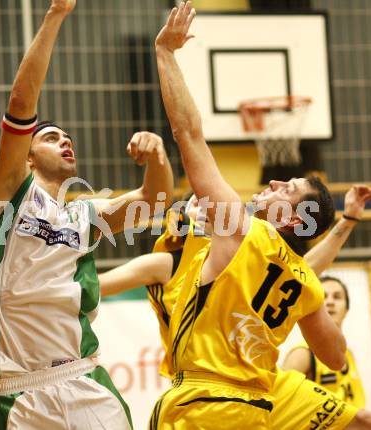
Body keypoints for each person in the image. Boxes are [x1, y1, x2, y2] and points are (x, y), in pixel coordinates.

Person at [0, 1, 173, 429]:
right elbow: (20, 102)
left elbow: (155, 202)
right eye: (52, 138)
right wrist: (55, 15)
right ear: (28, 157)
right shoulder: (10, 195)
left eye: (68, 138)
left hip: (82, 376)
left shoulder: (84, 216)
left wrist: (159, 157)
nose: (65, 142)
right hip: (16, 391)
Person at [151, 2, 358, 428]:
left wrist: (166, 55)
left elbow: (188, 134)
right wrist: (309, 303)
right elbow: (335, 358)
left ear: (296, 222)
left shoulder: (242, 229)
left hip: (203, 405)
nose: (277, 183)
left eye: (290, 189)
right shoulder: (304, 282)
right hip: (257, 413)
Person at [100, 185, 371, 429]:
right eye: (198, 204)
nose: (208, 207)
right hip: (206, 384)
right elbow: (93, 287)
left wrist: (348, 219)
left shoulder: (244, 250)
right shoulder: (165, 264)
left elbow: (300, 273)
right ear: (181, 219)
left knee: (362, 421)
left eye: (209, 203)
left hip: (262, 382)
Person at [283, 276, 366, 408]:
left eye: (337, 297)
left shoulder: (349, 355)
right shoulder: (302, 354)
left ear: (346, 309)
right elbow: (280, 404)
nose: (330, 302)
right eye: (323, 297)